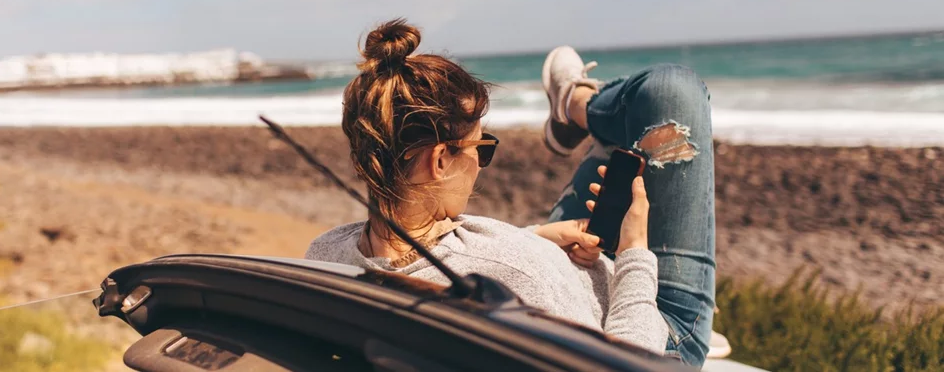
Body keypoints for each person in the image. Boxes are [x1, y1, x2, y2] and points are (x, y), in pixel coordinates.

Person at [306, 19, 716, 366]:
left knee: (623, 147)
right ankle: (578, 104)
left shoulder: (324, 257)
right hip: (654, 325)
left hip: (556, 265)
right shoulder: (517, 272)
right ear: (440, 160)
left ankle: (575, 110)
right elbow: (628, 362)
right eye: (481, 149)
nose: (482, 163)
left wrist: (535, 237)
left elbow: (465, 265)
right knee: (671, 89)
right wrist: (634, 252)